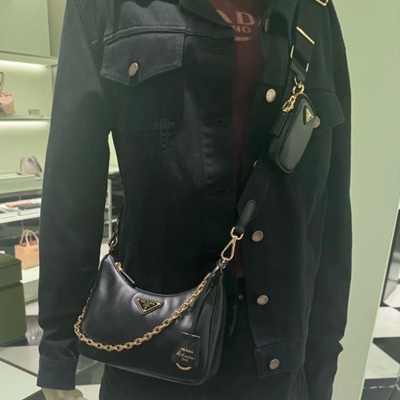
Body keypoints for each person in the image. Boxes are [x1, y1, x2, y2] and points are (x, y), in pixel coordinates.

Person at [37, 0, 352, 399]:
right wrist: (58, 352)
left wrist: (322, 357)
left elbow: (329, 202)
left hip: (274, 349)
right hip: (152, 336)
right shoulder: (104, 7)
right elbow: (72, 182)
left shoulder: (313, 10)